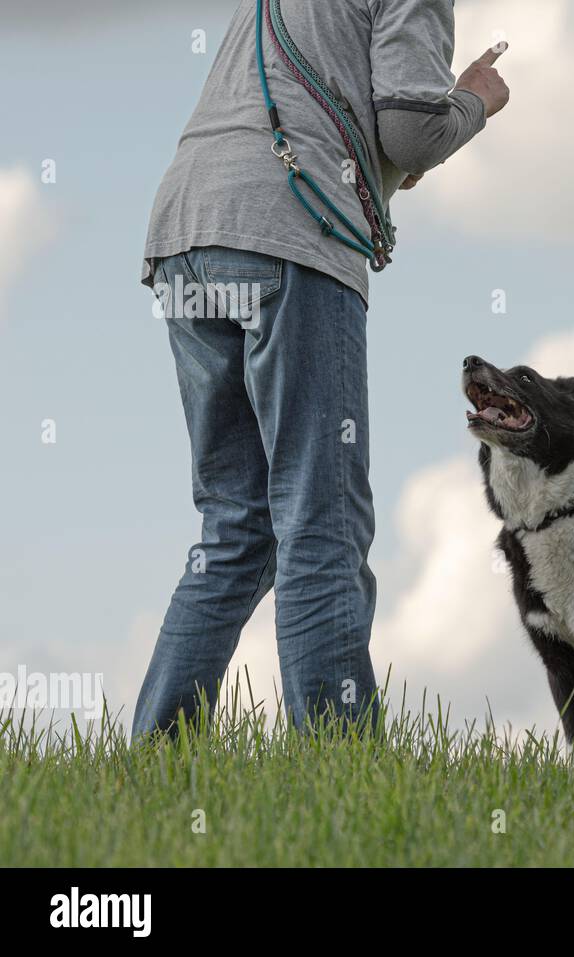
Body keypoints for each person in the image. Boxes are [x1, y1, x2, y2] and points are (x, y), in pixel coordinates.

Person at [132, 0, 509, 737]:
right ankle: (340, 756)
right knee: (320, 512)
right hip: (287, 231)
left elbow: (347, 115)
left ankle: (153, 758)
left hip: (187, 233)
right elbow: (411, 131)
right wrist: (475, 101)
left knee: (236, 523)